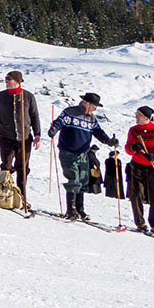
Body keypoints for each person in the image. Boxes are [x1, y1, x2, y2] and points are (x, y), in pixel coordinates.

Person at [47, 92, 119, 220]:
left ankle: (80, 209)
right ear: (87, 104)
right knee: (73, 179)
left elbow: (98, 132)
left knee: (83, 180)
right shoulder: (70, 112)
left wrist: (108, 141)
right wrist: (53, 130)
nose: (95, 109)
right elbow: (59, 122)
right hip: (68, 152)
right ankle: (71, 209)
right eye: (94, 106)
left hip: (83, 154)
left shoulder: (91, 118)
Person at [0, 71, 41, 204]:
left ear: (17, 81)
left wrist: (37, 135)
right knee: (6, 166)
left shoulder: (28, 97)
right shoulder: (0, 97)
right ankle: (4, 195)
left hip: (25, 138)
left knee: (22, 168)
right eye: (6, 80)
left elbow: (34, 116)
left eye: (9, 80)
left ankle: (21, 197)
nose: (7, 83)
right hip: (6, 137)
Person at [125, 106, 154, 234]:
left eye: (139, 115)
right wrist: (133, 147)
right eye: (136, 114)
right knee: (136, 194)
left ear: (146, 117)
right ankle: (140, 223)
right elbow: (128, 149)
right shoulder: (133, 131)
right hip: (137, 165)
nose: (136, 116)